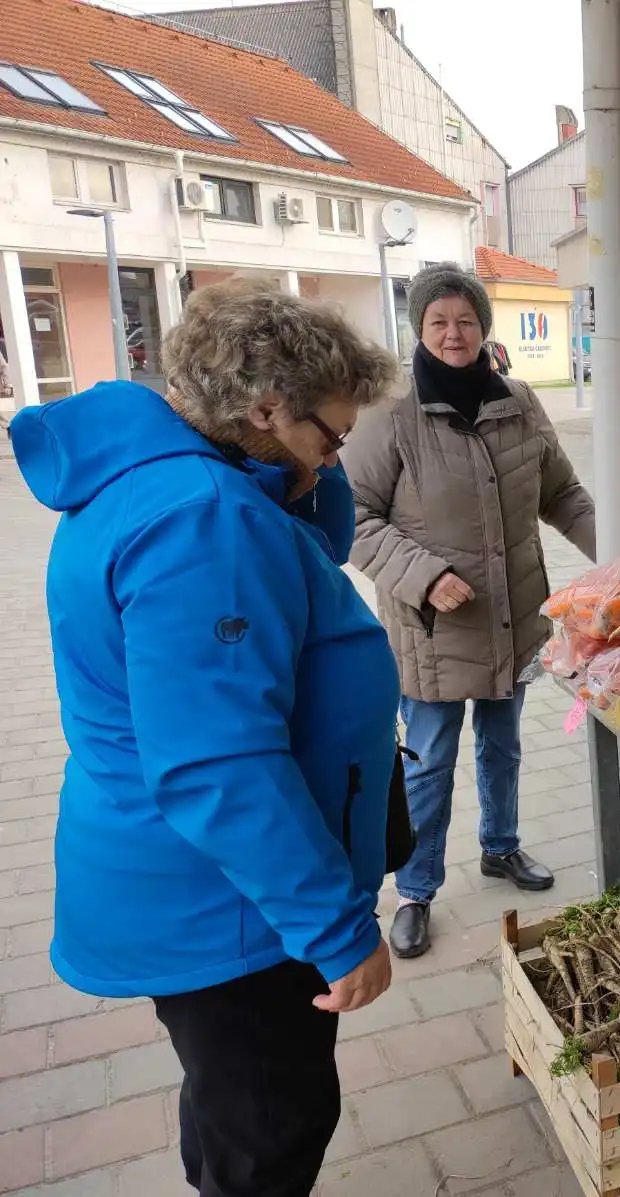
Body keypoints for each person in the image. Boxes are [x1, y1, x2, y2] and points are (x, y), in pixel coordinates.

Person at [6, 280, 402, 1197]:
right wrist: (338, 932)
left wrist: (306, 464)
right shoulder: (205, 520)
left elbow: (317, 541)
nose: (335, 459)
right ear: (262, 409)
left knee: (232, 1108)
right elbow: (220, 763)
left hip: (199, 880)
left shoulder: (180, 469)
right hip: (229, 904)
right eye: (329, 437)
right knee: (274, 1124)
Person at [344, 263, 596, 960]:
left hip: (510, 621)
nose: (454, 334)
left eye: (465, 320)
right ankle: (417, 889)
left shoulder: (518, 401)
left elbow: (563, 494)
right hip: (431, 632)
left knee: (504, 745)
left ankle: (501, 848)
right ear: (420, 330)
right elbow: (352, 517)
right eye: (438, 322)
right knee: (427, 762)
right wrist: (423, 576)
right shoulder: (391, 413)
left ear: (484, 327)